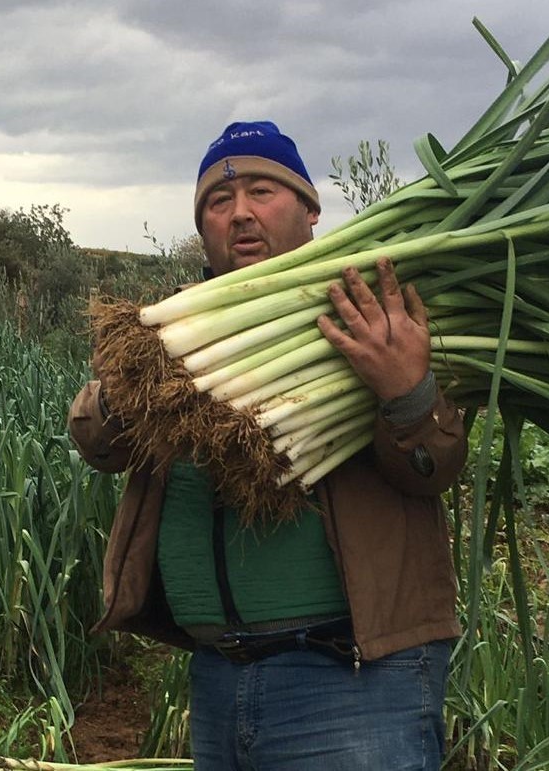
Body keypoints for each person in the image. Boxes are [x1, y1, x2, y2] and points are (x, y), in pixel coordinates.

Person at [68, 121, 468, 771]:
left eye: (263, 191)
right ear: (203, 227)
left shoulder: (375, 313)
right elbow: (97, 440)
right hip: (219, 675)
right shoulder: (182, 330)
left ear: (310, 208)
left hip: (350, 678)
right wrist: (128, 385)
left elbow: (435, 466)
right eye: (219, 202)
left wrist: (409, 391)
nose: (242, 213)